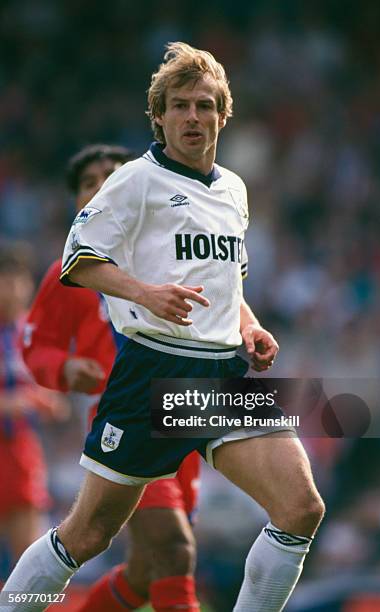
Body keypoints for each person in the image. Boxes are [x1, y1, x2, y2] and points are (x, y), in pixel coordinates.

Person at [1, 42, 325, 612]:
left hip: (223, 378)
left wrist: (250, 326)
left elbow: (229, 281)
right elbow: (79, 259)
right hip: (153, 374)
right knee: (87, 536)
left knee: (302, 508)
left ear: (224, 115)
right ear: (159, 116)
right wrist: (144, 292)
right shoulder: (134, 180)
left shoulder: (233, 190)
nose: (192, 117)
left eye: (204, 105)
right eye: (179, 106)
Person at [22, 144, 201, 611]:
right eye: (88, 183)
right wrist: (63, 368)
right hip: (127, 417)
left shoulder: (175, 250)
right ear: (77, 203)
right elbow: (36, 343)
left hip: (184, 414)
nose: (102, 187)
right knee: (173, 550)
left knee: (145, 573)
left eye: (113, 176)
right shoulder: (71, 269)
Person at [0, 244, 66, 568]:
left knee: (28, 557)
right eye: (5, 280)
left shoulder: (33, 332)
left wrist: (49, 401)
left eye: (18, 280)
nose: (12, 290)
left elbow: (56, 393)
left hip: (21, 451)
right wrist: (10, 404)